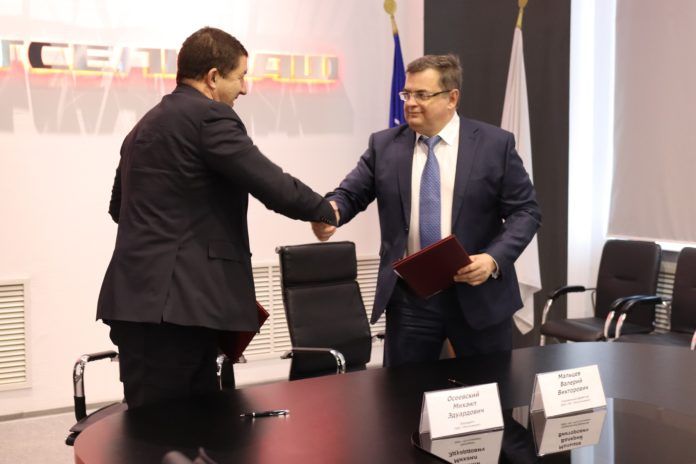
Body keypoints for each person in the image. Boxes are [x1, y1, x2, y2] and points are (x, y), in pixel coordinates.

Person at [97, 27, 336, 408]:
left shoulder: (143, 126)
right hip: (181, 308)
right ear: (212, 77)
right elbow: (268, 181)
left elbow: (118, 209)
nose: (245, 88)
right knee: (188, 426)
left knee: (148, 424)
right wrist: (323, 209)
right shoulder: (209, 118)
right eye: (240, 76)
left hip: (133, 303)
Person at [312, 54, 540, 367]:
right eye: (407, 94)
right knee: (404, 393)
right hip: (411, 298)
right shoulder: (384, 146)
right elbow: (350, 194)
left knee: (489, 388)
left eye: (422, 95)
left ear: (452, 98)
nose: (411, 103)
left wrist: (492, 259)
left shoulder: (494, 144)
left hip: (479, 293)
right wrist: (332, 212)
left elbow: (525, 212)